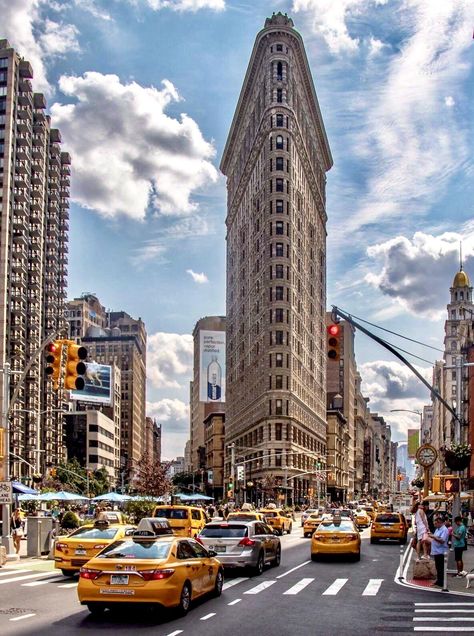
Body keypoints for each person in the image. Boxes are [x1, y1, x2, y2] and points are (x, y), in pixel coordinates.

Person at [428, 517, 449, 587]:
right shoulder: (437, 529)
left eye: (436, 523)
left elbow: (442, 540)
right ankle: (438, 581)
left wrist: (433, 536)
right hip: (436, 551)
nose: (435, 524)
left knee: (441, 568)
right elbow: (436, 537)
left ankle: (441, 582)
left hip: (441, 551)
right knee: (438, 567)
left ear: (440, 523)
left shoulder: (444, 530)